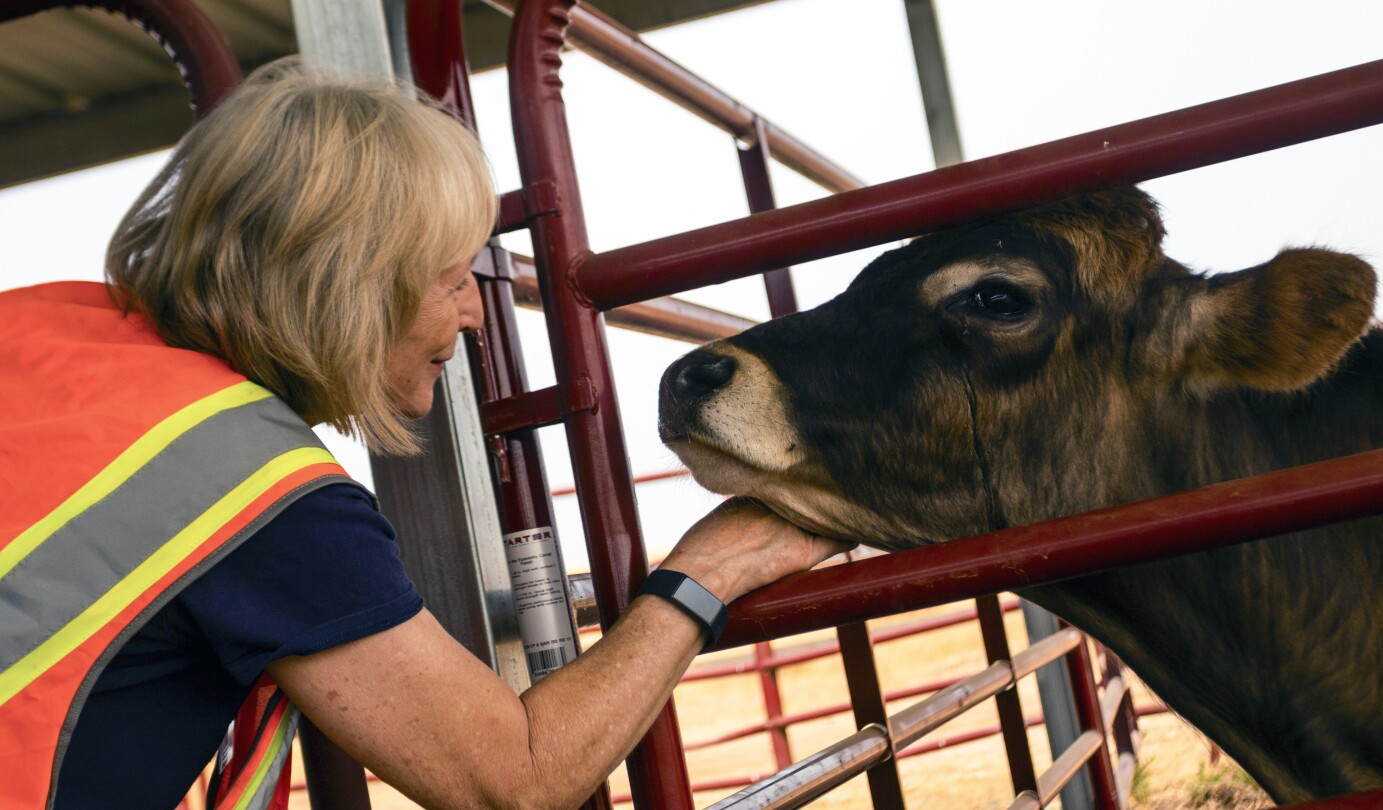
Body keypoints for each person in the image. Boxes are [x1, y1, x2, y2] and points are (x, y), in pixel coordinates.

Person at [0, 59, 848, 809]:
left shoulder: (39, 330)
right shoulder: (249, 490)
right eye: (451, 279)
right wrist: (706, 573)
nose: (477, 314)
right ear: (349, 288)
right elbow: (512, 779)